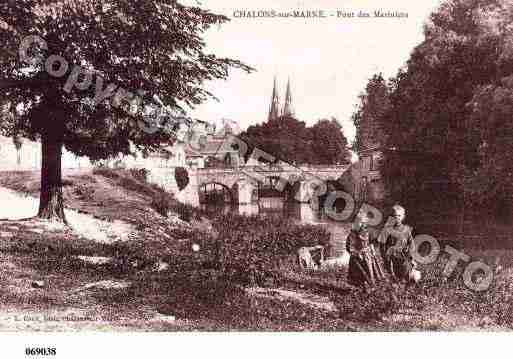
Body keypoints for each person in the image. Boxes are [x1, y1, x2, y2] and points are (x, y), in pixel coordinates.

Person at [377, 204, 416, 282]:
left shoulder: (406, 229)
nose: (397, 218)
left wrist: (409, 254)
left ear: (403, 217)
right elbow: (381, 245)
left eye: (399, 216)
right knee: (392, 274)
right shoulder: (387, 229)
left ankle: (405, 279)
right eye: (395, 216)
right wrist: (384, 256)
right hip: (391, 257)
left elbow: (411, 244)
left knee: (407, 273)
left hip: (403, 257)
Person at [346, 212, 385, 287]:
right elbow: (349, 247)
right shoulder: (353, 234)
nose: (362, 224)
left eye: (363, 222)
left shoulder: (368, 232)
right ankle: (358, 286)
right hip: (357, 257)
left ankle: (370, 284)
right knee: (358, 272)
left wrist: (373, 251)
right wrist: (356, 253)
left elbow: (371, 243)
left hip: (368, 255)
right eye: (359, 222)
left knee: (370, 270)